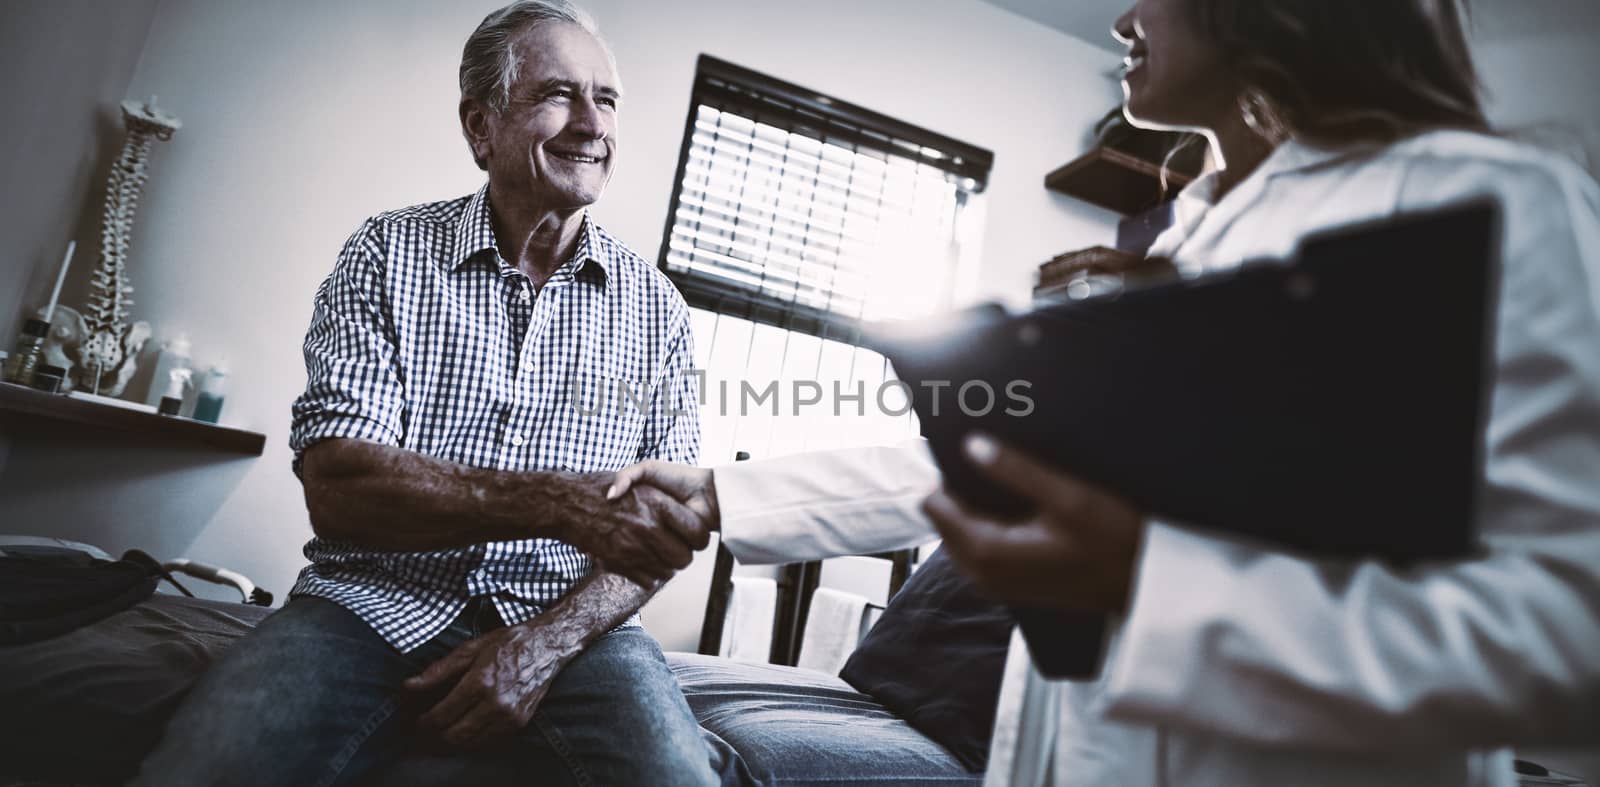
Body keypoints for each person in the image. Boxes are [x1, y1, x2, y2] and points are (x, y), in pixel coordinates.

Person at [609, 0, 1600, 785]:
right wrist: (721, 494)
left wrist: (1145, 583)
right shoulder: (1186, 241)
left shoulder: (1485, 204)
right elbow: (1001, 459)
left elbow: (1570, 637)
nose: (1122, 20)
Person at [131, 3, 722, 786]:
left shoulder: (660, 311)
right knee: (209, 766)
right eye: (558, 94)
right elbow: (341, 486)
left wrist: (541, 644)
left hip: (575, 632)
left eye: (606, 99)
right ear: (482, 126)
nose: (592, 124)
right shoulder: (386, 252)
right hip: (366, 604)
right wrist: (564, 502)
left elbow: (658, 535)